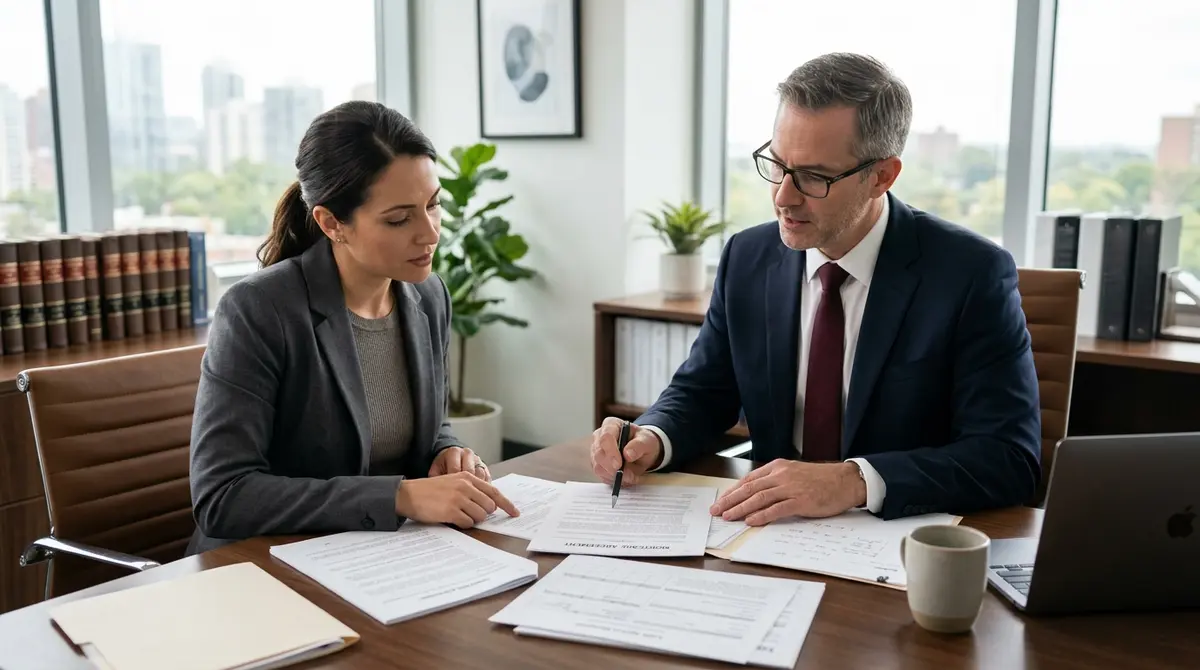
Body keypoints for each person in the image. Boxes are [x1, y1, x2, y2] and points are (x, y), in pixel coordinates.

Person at [590, 53, 1041, 524]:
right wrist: (652, 436)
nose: (784, 196)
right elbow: (704, 390)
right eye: (777, 164)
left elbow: (1008, 458)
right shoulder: (748, 257)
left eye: (814, 176)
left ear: (882, 176)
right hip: (766, 533)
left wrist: (854, 480)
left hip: (896, 543)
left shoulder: (970, 273)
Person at [187, 101, 518, 555]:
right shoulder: (258, 310)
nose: (430, 233)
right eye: (399, 219)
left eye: (434, 204)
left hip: (376, 556)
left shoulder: (427, 295)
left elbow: (429, 425)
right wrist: (399, 497)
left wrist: (447, 452)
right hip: (266, 567)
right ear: (331, 223)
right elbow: (223, 496)